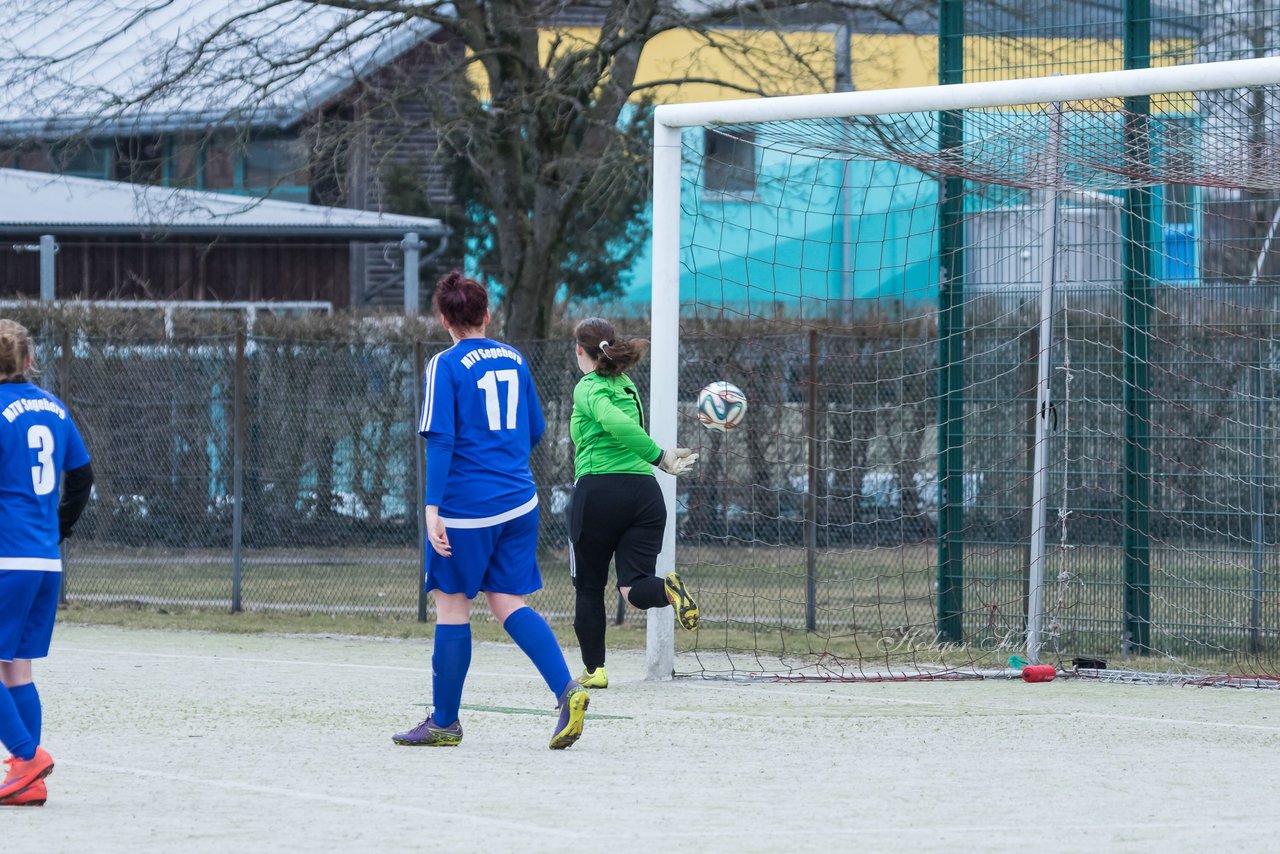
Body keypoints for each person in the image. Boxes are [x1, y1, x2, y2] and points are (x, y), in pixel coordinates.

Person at [392, 272, 588, 750]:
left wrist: (432, 508)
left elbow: (440, 439)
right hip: (520, 501)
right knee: (508, 603)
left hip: (466, 510)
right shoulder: (515, 358)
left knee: (452, 605)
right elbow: (536, 429)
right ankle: (567, 689)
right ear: (487, 315)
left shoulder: (445, 364)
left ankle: (444, 722)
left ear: (443, 320)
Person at [567, 317, 699, 690]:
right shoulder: (628, 386)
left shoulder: (588, 387)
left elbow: (615, 424)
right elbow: (626, 426)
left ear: (580, 350)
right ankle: (668, 589)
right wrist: (656, 461)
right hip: (644, 496)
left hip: (598, 495)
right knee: (634, 586)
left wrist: (659, 456)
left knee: (589, 587)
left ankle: (595, 670)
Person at [0, 320, 92, 807]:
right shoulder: (54, 408)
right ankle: (27, 781)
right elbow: (83, 476)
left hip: (4, 557)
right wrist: (58, 529)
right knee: (17, 669)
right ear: (30, 361)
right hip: (44, 559)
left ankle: (25, 756)